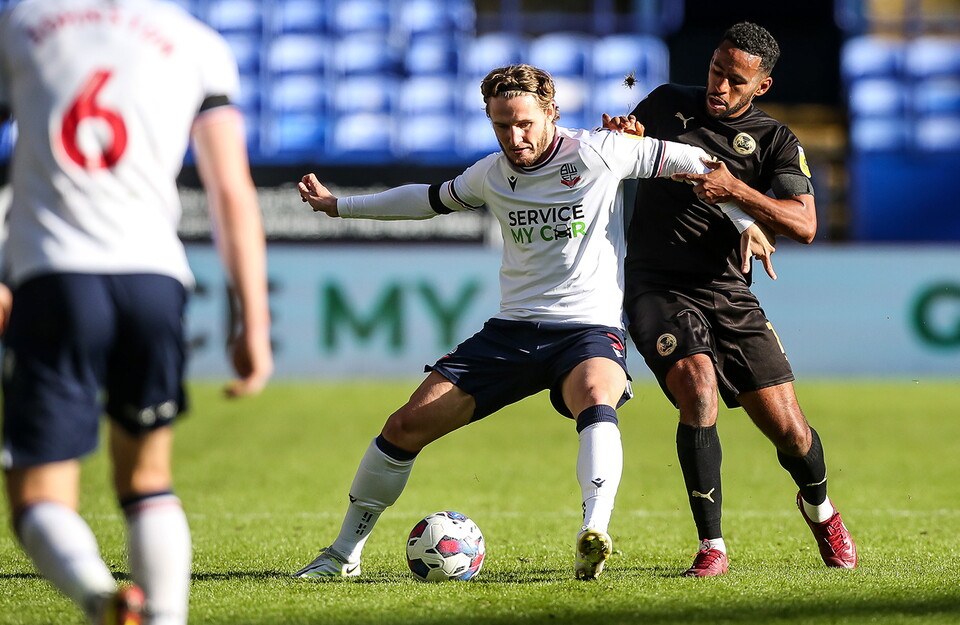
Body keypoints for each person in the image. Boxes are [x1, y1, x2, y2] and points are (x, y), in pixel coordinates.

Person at [293, 63, 771, 582]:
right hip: (513, 332)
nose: (514, 137)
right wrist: (338, 206)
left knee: (596, 395)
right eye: (501, 125)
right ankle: (343, 554)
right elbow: (427, 200)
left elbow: (701, 160)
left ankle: (595, 533)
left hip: (589, 329)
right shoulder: (490, 174)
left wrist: (745, 221)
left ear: (551, 112)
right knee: (403, 426)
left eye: (524, 123)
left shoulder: (597, 151)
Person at [0, 1, 273, 623]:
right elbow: (232, 191)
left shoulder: (20, 24)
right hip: (154, 280)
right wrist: (252, 322)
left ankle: (102, 598)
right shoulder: (196, 42)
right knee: (148, 482)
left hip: (55, 277)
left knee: (39, 495)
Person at [604, 22, 856, 576]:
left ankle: (820, 509)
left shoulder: (775, 141)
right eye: (716, 70)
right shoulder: (669, 102)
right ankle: (712, 546)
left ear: (760, 86)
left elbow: (805, 224)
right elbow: (630, 148)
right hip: (655, 284)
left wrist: (739, 194)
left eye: (735, 80)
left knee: (789, 430)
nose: (719, 86)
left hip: (726, 290)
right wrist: (625, 135)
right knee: (697, 387)